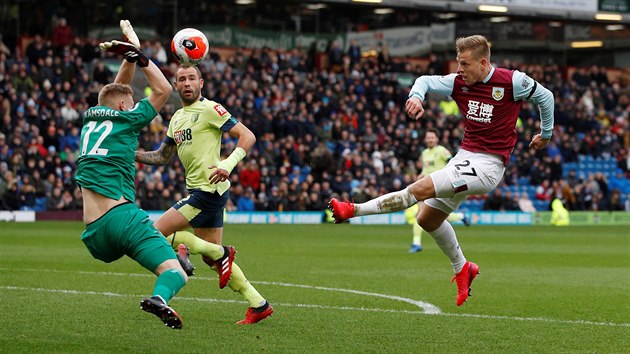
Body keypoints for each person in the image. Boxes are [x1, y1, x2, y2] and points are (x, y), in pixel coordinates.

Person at [329, 35, 554, 306]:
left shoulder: (512, 81)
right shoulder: (459, 82)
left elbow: (545, 96)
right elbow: (424, 80)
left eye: (465, 64)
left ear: (483, 63)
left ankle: (352, 210)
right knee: (427, 220)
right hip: (464, 158)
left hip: (489, 166)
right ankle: (463, 268)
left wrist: (546, 133)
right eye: (458, 63)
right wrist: (416, 96)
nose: (459, 69)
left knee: (418, 189)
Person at [76, 20, 235, 329]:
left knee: (166, 242)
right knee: (174, 272)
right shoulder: (127, 119)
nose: (136, 104)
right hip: (122, 219)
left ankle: (183, 252)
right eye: (132, 103)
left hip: (94, 237)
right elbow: (161, 89)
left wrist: (128, 55)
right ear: (125, 107)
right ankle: (161, 296)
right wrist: (141, 57)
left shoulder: (91, 117)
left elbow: (114, 93)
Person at [135, 64, 273, 324]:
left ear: (201, 82)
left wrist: (227, 164)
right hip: (202, 191)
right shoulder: (176, 118)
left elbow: (248, 136)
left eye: (191, 78)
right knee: (211, 257)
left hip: (208, 190)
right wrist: (132, 155)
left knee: (156, 231)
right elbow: (162, 156)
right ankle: (258, 304)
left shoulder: (210, 109)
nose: (186, 83)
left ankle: (211, 252)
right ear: (175, 86)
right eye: (181, 80)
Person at [407, 129, 470, 253]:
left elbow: (452, 164)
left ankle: (460, 217)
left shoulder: (442, 151)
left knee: (435, 216)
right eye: (428, 137)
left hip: (439, 186)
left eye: (432, 137)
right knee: (422, 214)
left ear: (436, 139)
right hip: (426, 187)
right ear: (425, 140)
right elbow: (426, 170)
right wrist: (420, 177)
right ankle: (416, 243)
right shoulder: (424, 153)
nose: (430, 139)